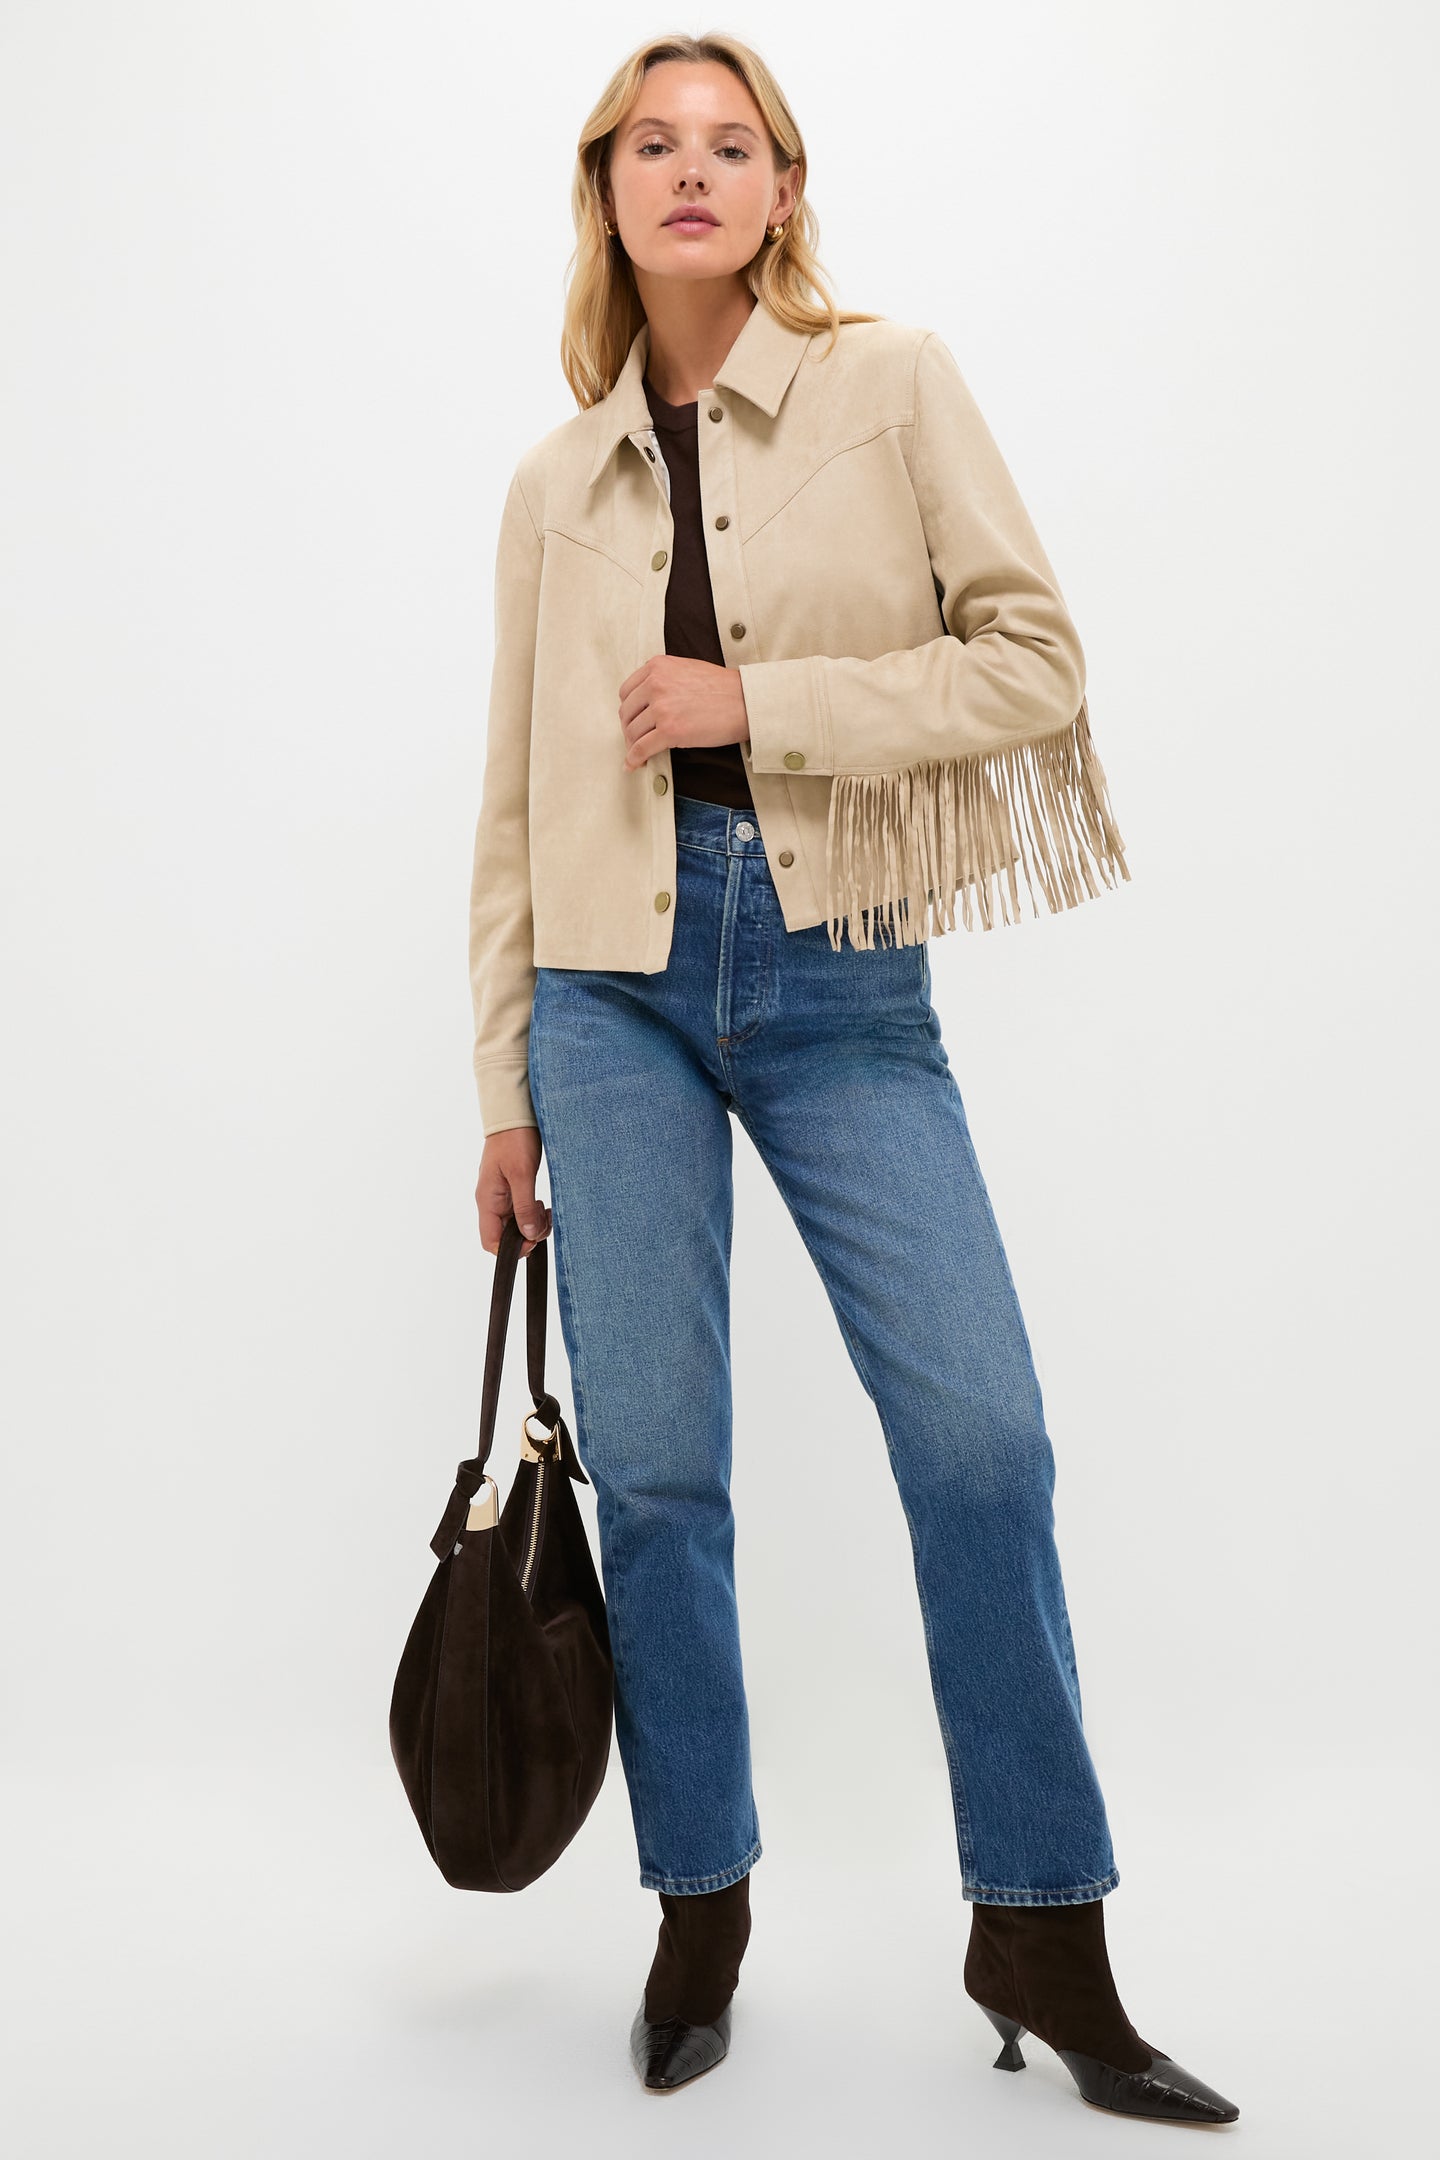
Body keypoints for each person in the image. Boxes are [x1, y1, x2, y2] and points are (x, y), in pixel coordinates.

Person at [467, 30, 1239, 2124]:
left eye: (735, 145)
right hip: (610, 998)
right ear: (608, 191)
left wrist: (759, 702)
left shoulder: (893, 386)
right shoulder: (559, 482)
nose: (693, 173)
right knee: (664, 1472)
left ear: (786, 191)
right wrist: (504, 1087)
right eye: (655, 145)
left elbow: (1032, 661)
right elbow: (517, 820)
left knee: (982, 1441)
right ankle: (698, 1904)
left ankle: (1043, 1922)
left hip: (838, 977)